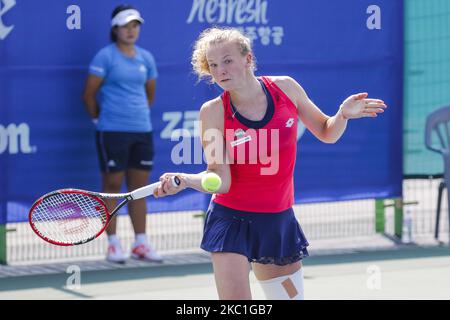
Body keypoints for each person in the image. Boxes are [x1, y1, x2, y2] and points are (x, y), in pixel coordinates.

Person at [154, 27, 387, 299]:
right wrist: (185, 180)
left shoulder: (286, 88)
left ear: (248, 59)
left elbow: (326, 131)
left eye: (228, 61)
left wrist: (342, 115)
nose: (221, 71)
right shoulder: (213, 111)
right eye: (214, 65)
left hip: (278, 223)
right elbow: (220, 179)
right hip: (231, 223)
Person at [82, 5, 162, 263]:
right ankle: (113, 244)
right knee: (113, 188)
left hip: (142, 131)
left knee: (138, 189)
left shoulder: (145, 58)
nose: (131, 30)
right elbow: (88, 94)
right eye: (126, 26)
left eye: (135, 25)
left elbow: (149, 94)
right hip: (112, 131)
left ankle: (140, 243)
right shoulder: (105, 57)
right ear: (115, 28)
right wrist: (100, 119)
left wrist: (135, 115)